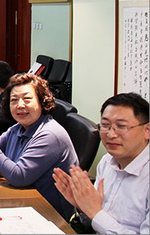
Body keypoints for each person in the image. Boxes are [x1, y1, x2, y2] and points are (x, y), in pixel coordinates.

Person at [0, 73, 79, 220]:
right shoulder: (19, 127)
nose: (20, 105)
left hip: (50, 215)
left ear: (41, 101)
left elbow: (19, 177)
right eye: (14, 100)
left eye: (27, 99)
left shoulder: (50, 134)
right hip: (23, 202)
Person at [53, 93, 149, 233]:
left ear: (147, 131)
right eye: (105, 125)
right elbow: (98, 215)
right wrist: (83, 205)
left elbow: (98, 214)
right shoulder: (107, 161)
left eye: (121, 126)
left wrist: (94, 212)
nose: (110, 134)